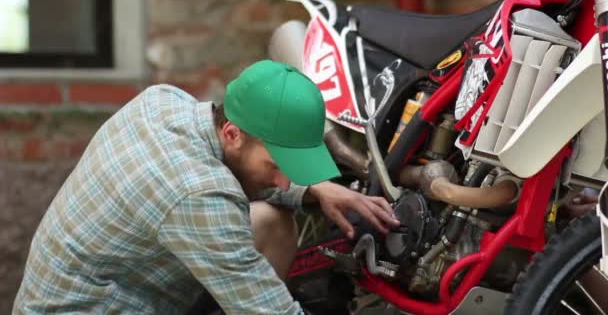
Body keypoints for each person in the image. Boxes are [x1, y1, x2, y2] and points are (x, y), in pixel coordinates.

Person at [13, 60, 399, 314]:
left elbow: (249, 177)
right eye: (277, 165)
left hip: (96, 290)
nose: (284, 180)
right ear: (231, 133)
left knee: (270, 219)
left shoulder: (162, 101)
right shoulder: (198, 194)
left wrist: (313, 190)